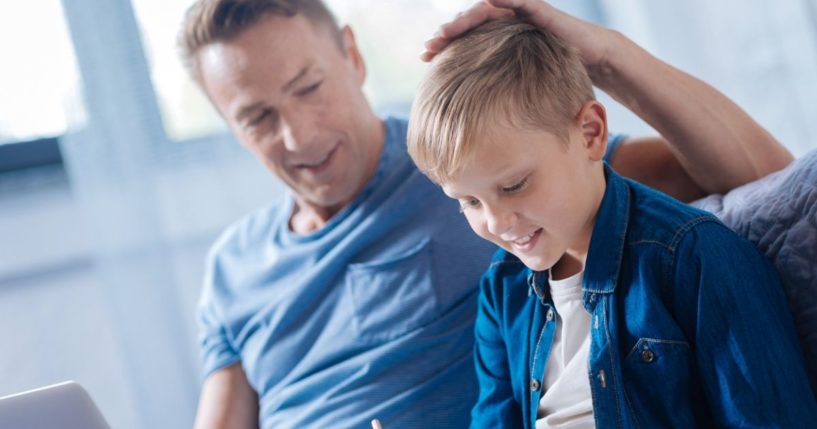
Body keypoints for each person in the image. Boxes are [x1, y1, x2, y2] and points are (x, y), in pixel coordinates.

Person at [178, 0, 794, 427]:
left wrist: (603, 57)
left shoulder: (491, 152)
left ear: (352, 55)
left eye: (309, 86)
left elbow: (769, 176)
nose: (298, 135)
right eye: (257, 117)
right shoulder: (233, 268)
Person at [408, 15, 817, 429]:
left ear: (590, 133)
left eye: (514, 185)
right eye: (469, 201)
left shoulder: (695, 259)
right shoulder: (503, 289)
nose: (496, 222)